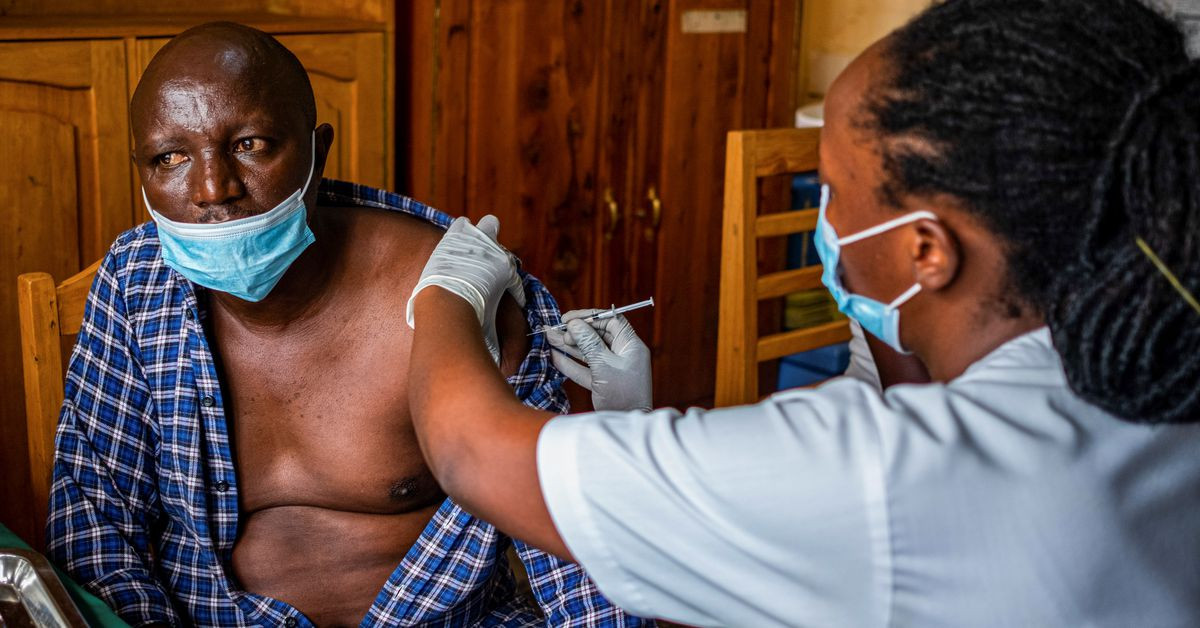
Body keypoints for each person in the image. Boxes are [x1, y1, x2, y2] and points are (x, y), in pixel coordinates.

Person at [404, 0, 1200, 625]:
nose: (825, 220)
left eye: (833, 192)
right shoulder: (1149, 346)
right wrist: (634, 418)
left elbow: (474, 454)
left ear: (929, 250)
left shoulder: (891, 477)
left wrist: (446, 287)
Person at [45, 22, 649, 627]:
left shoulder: (459, 288)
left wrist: (620, 442)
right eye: (168, 158)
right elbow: (97, 526)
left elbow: (573, 549)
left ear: (318, 149)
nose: (212, 190)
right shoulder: (135, 285)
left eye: (251, 145)